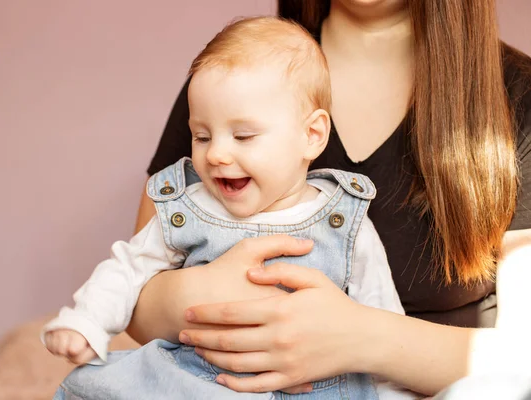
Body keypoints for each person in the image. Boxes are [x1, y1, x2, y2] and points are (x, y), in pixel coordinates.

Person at [125, 0, 531, 397]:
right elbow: (131, 296)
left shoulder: (517, 95)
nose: (220, 149)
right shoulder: (232, 77)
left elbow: (522, 356)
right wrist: (200, 293)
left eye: (246, 136)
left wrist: (357, 338)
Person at [43, 16, 414, 400]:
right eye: (201, 136)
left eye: (243, 135)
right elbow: (129, 267)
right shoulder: (191, 207)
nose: (217, 154)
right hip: (198, 380)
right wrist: (88, 321)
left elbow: (382, 323)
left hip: (313, 388)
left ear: (311, 135)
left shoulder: (344, 223)